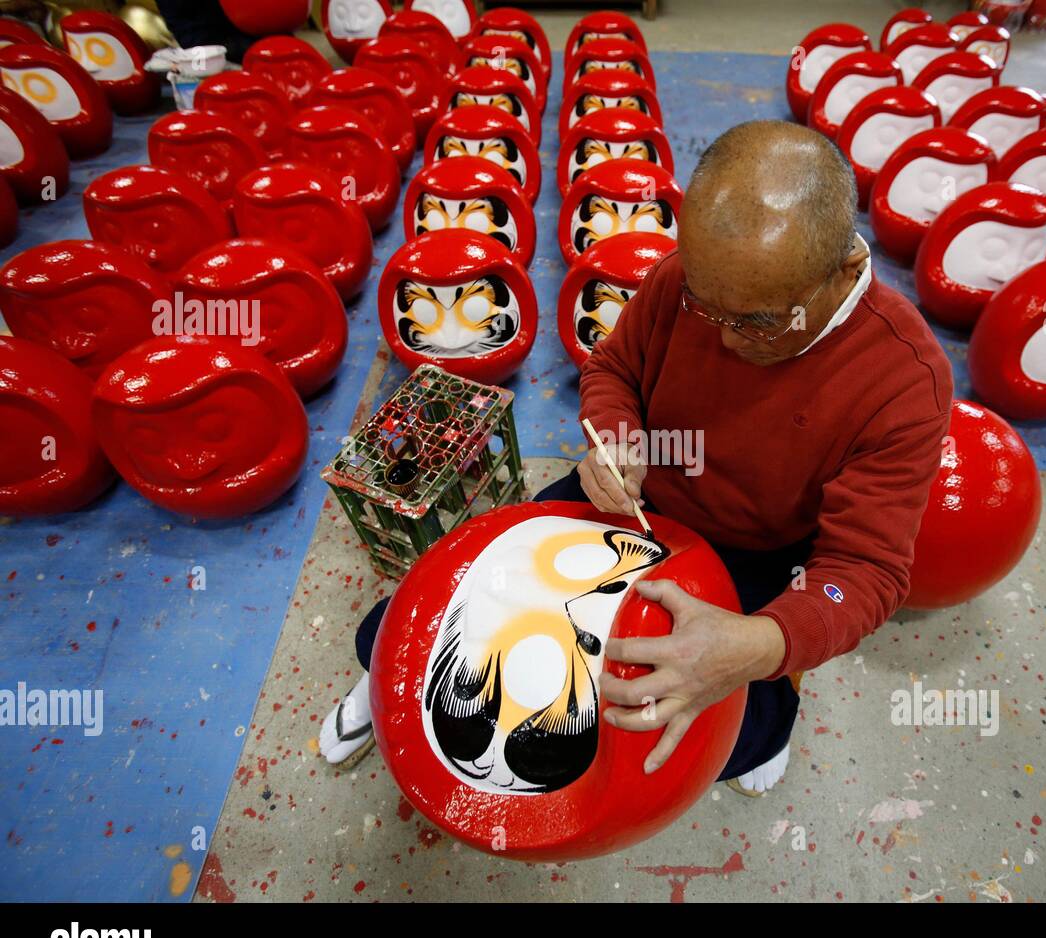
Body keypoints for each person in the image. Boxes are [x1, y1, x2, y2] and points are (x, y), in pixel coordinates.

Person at [321, 120, 953, 797]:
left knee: (716, 732)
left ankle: (771, 719)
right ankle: (387, 682)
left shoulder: (904, 378)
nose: (730, 343)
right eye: (708, 311)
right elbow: (614, 368)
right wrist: (614, 436)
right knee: (449, 612)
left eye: (761, 322)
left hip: (758, 547)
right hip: (630, 498)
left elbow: (863, 572)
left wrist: (762, 642)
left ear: (847, 271)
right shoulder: (690, 280)